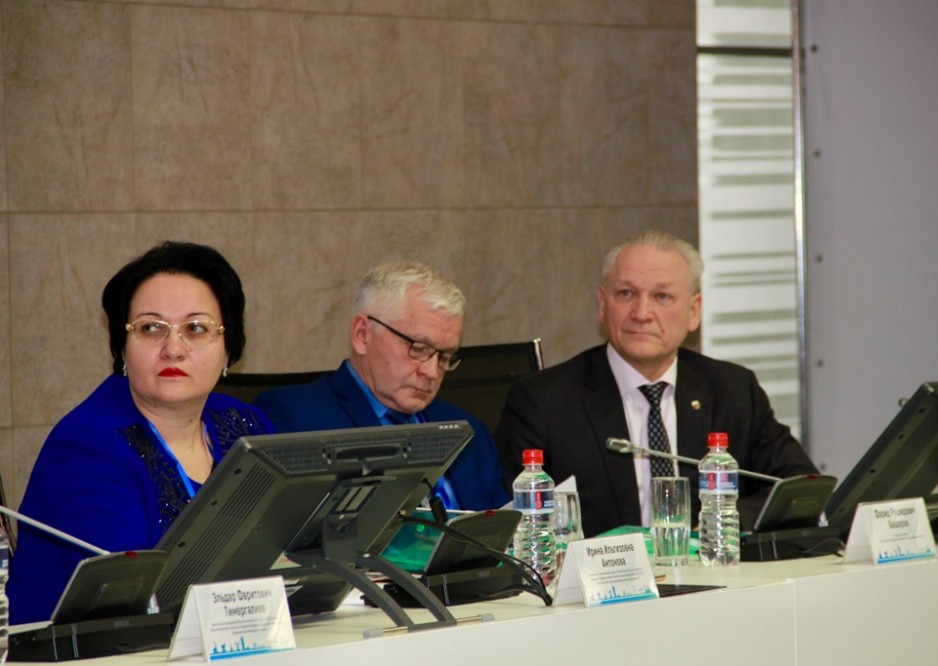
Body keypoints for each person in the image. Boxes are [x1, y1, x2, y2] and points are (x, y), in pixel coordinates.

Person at [8, 241, 274, 625]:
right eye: (151, 328)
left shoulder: (244, 425)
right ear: (123, 348)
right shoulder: (87, 447)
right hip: (90, 647)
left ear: (228, 348)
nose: (173, 349)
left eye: (196, 328)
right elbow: (133, 597)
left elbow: (285, 547)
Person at [494, 230, 819, 538]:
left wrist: (718, 524)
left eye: (662, 296)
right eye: (626, 294)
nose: (642, 313)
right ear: (603, 304)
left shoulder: (732, 390)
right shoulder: (543, 401)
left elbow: (799, 486)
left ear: (693, 311)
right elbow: (520, 522)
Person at [253, 260, 510, 511]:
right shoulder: (295, 420)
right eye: (418, 348)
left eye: (444, 357)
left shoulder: (470, 433)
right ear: (362, 335)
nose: (432, 372)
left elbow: (505, 532)